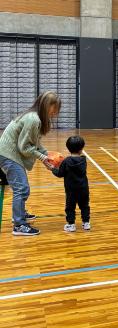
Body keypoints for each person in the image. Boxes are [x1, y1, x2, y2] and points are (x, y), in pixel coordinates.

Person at [0, 91, 61, 236]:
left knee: (23, 189)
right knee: (21, 188)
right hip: (8, 155)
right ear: (47, 105)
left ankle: (20, 214)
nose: (56, 113)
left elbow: (35, 142)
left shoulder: (34, 117)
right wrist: (43, 158)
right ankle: (19, 225)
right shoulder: (33, 119)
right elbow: (25, 147)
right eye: (55, 108)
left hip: (10, 153)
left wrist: (46, 154)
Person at [52, 136, 90, 232]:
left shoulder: (66, 161)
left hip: (71, 190)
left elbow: (60, 174)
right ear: (81, 149)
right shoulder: (83, 160)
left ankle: (71, 224)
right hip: (83, 188)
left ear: (68, 148)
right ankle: (86, 223)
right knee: (84, 205)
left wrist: (53, 169)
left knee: (70, 207)